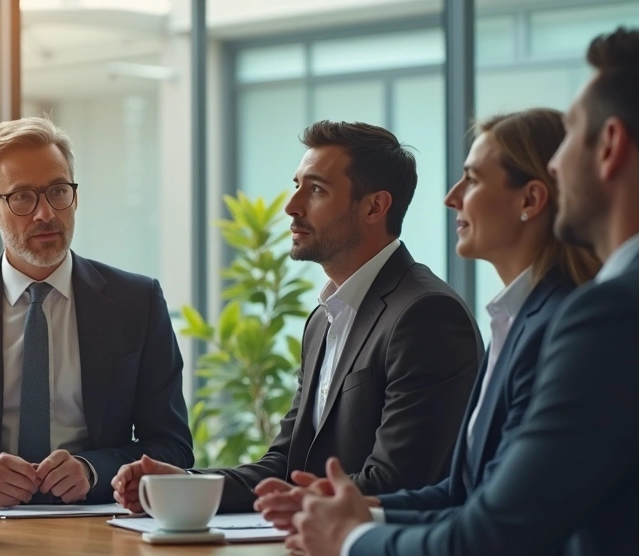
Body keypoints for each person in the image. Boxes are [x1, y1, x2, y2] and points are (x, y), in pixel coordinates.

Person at [290, 28, 639, 556]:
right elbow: (469, 491)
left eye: (572, 137)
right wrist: (362, 515)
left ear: (611, 146)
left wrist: (351, 541)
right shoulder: (561, 312)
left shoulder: (609, 315)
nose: (561, 164)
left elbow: (486, 545)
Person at [256, 109, 601, 533]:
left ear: (530, 200)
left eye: (472, 180)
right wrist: (189, 485)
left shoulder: (439, 314)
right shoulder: (510, 319)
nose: (451, 197)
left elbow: (492, 515)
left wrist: (348, 539)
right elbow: (463, 492)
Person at [113, 121, 483, 513]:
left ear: (375, 206)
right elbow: (286, 464)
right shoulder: (324, 320)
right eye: (297, 186)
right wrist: (187, 486)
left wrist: (293, 503)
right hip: (317, 549)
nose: (292, 206)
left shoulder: (426, 314)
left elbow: (397, 481)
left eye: (317, 190)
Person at [0, 116, 194, 505]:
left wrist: (93, 470)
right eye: (23, 197)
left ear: (74, 197)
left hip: (98, 524)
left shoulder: (137, 302)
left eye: (58, 192)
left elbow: (173, 447)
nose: (46, 213)